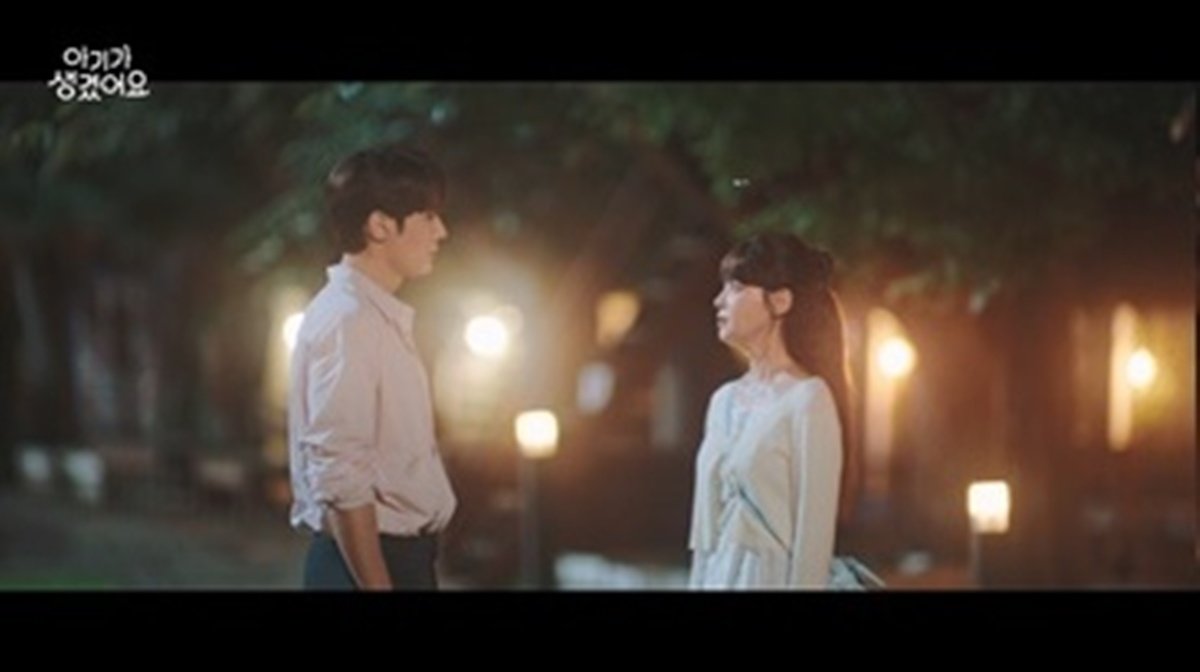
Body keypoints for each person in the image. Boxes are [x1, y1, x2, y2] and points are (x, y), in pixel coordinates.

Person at [288, 143, 456, 590]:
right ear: (380, 225)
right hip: (368, 563)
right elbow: (341, 472)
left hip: (395, 558)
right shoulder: (350, 320)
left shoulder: (371, 316)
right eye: (427, 217)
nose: (441, 232)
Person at [689, 231, 860, 589]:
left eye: (736, 287)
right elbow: (704, 540)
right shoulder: (723, 401)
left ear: (780, 301)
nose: (719, 300)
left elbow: (813, 544)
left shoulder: (808, 399)